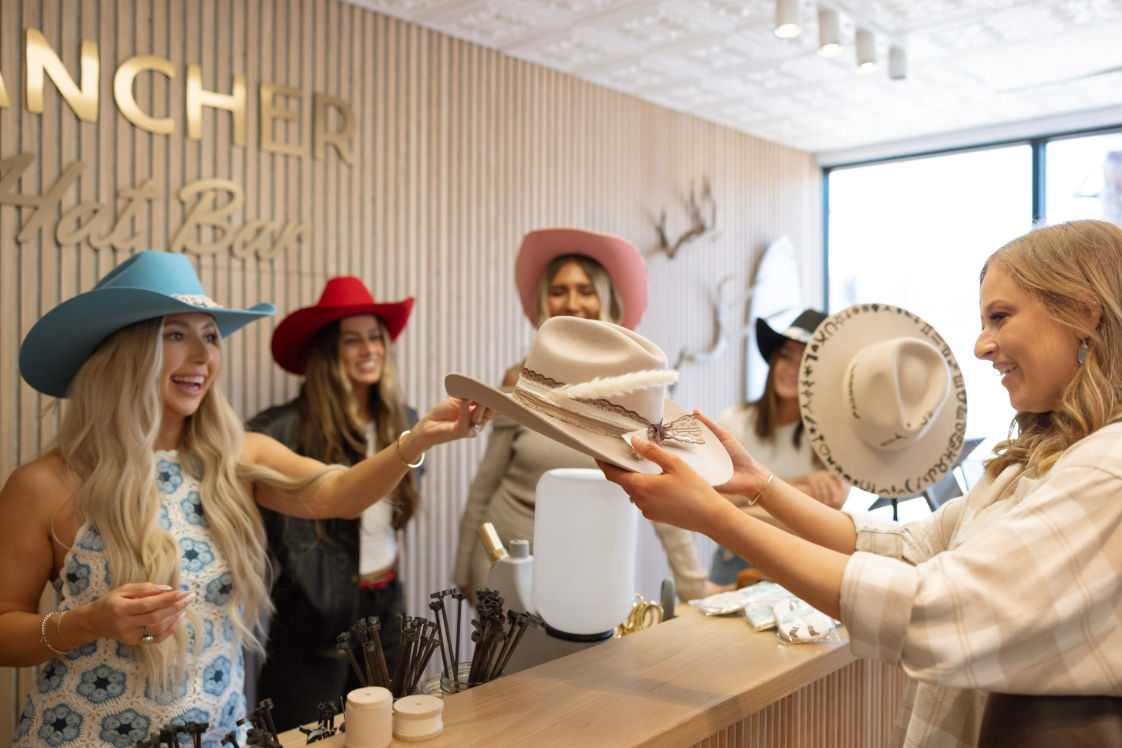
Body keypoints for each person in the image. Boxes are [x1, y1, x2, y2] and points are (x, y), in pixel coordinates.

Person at [598, 219, 1122, 747]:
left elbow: (936, 609)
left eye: (1000, 317)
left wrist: (714, 517)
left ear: (1082, 310)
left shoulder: (1107, 467)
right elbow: (908, 547)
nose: (982, 345)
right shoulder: (1029, 465)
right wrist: (759, 484)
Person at [0, 251, 491, 746]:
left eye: (210, 336)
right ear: (124, 351)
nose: (204, 356)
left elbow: (341, 494)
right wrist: (86, 622)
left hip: (219, 736)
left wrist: (419, 438)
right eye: (176, 335)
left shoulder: (236, 459)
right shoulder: (44, 484)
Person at [453, 227, 712, 603]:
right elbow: (485, 482)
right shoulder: (522, 379)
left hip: (591, 557)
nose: (572, 302)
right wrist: (464, 567)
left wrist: (693, 585)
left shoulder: (637, 392)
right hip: (505, 551)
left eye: (585, 290)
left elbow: (664, 481)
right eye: (559, 291)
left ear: (605, 299)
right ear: (546, 302)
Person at [246, 276, 421, 730]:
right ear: (327, 352)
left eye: (374, 337)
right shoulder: (278, 431)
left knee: (390, 730)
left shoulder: (405, 424)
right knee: (304, 734)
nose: (369, 349)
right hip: (310, 617)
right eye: (351, 340)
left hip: (387, 604)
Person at [709, 309, 850, 589]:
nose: (791, 370)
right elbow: (714, 498)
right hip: (735, 558)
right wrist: (798, 485)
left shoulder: (833, 434)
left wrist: (748, 493)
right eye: (786, 356)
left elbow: (834, 498)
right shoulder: (735, 421)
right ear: (774, 360)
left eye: (806, 361)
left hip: (806, 560)